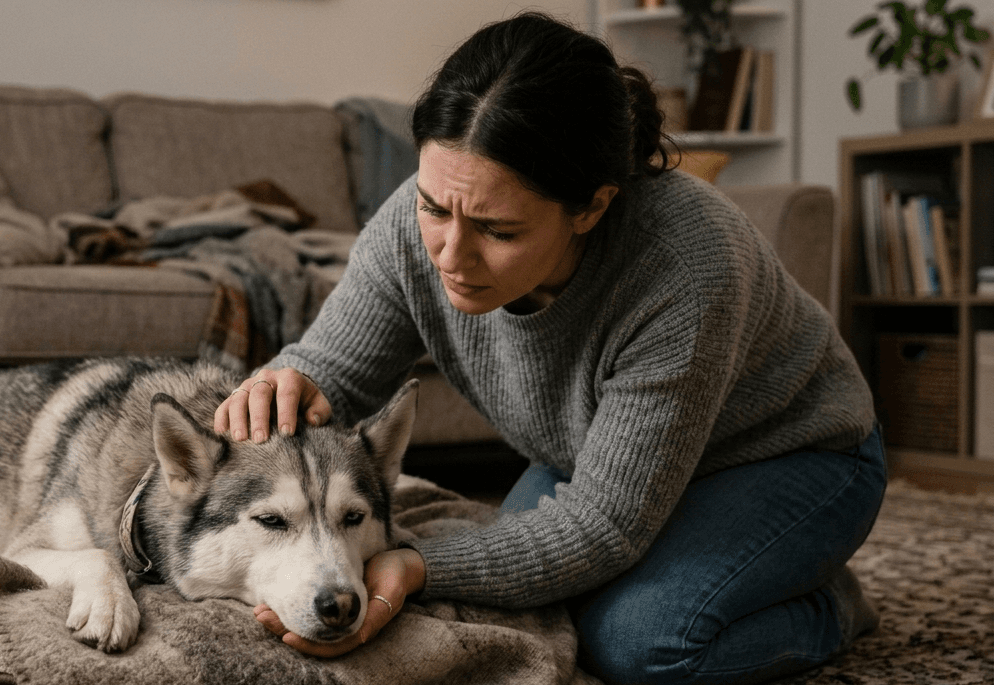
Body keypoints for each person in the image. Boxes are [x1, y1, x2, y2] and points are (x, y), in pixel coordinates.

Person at [214, 11, 886, 685]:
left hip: (790, 456)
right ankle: (734, 568)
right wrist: (287, 381)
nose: (449, 253)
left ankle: (827, 602)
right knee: (531, 605)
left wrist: (417, 562)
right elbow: (331, 370)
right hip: (595, 457)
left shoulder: (686, 268)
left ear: (591, 208)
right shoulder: (413, 225)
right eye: (434, 208)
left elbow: (601, 525)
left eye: (497, 230)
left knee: (639, 642)